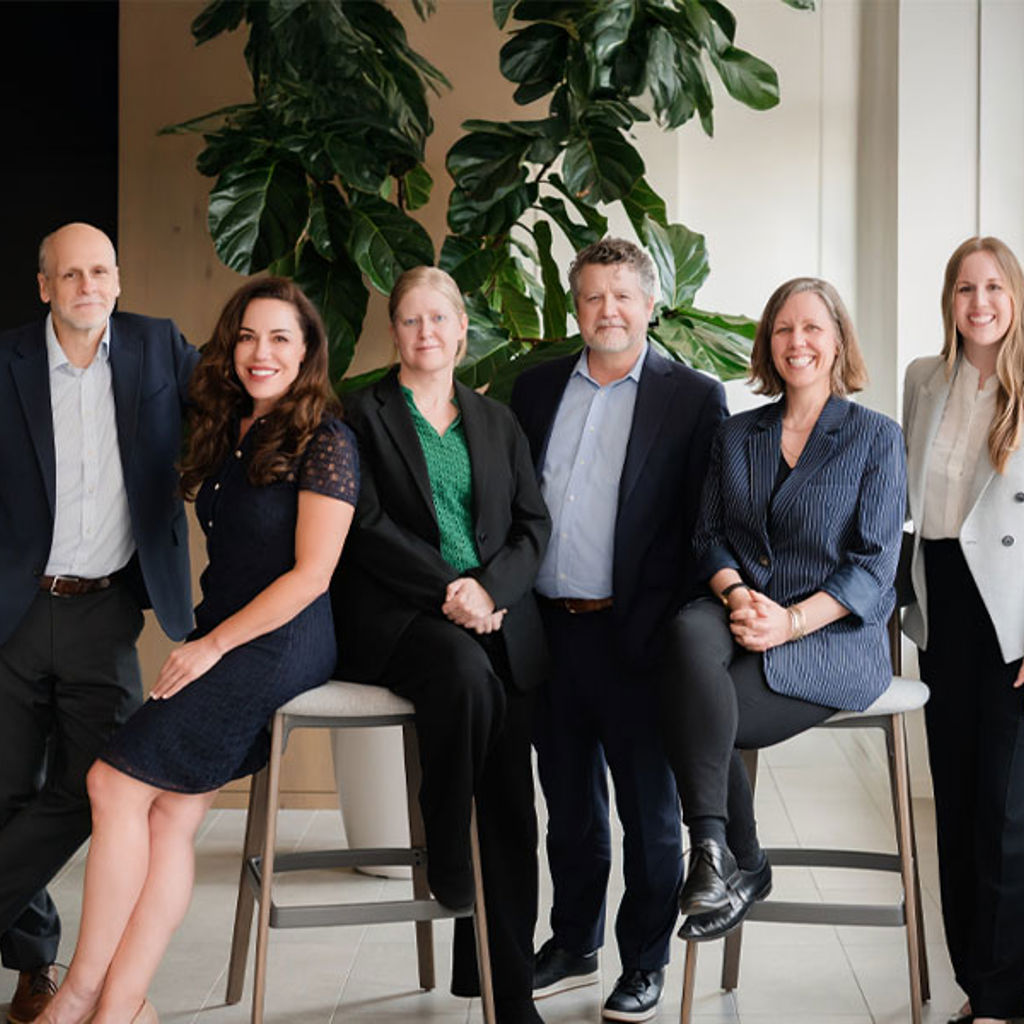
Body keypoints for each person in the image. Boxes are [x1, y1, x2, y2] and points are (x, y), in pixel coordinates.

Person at [37, 277, 358, 1024]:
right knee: (170, 817)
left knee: (114, 787)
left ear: (308, 350)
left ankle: (81, 995)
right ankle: (123, 1005)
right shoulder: (228, 425)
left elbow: (313, 576)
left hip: (279, 640)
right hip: (225, 629)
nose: (260, 352)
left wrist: (211, 647)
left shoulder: (327, 439)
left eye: (281, 337)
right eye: (246, 336)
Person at [510, 237, 728, 1023]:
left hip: (638, 634)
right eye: (593, 296)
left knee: (649, 813)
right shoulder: (533, 390)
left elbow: (702, 524)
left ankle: (644, 961)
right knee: (566, 806)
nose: (608, 310)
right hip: (547, 632)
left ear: (650, 305)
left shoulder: (693, 398)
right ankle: (574, 942)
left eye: (622, 296)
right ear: (576, 307)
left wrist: (668, 624)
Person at [331, 266, 551, 1024]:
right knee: (463, 677)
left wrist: (489, 591)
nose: (426, 333)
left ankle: (506, 992)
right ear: (394, 333)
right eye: (410, 321)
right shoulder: (361, 416)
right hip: (403, 619)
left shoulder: (497, 423)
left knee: (515, 808)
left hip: (497, 619)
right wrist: (450, 591)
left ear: (464, 330)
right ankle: (445, 835)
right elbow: (361, 527)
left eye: (439, 319)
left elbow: (533, 527)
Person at [660, 277, 905, 945]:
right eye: (783, 330)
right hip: (742, 610)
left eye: (812, 329)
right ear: (768, 343)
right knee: (685, 632)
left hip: (831, 633)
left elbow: (875, 565)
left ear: (837, 342)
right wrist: (740, 598)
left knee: (700, 707)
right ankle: (717, 853)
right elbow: (708, 535)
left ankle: (743, 861)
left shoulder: (875, 437)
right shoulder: (738, 433)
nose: (797, 342)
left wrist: (791, 621)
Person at [0, 223, 199, 1024]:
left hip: (106, 606)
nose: (89, 286)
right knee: (7, 791)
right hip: (13, 609)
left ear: (117, 279)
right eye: (70, 274)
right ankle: (34, 967)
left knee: (101, 787)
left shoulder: (158, 349)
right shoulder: (7, 360)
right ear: (44, 285)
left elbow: (233, 412)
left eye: (102, 271)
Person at [903, 237, 1024, 1024]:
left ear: (1015, 296)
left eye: (993, 288)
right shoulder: (925, 379)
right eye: (963, 289)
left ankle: (1007, 999)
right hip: (940, 601)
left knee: (1005, 808)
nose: (978, 303)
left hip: (1013, 614)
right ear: (949, 299)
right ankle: (978, 989)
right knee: (953, 798)